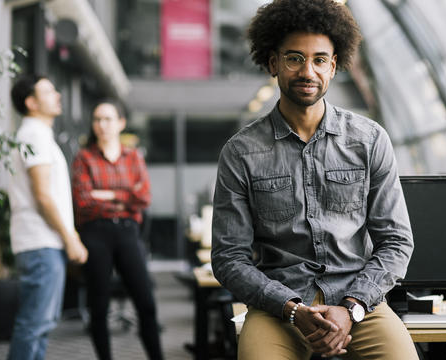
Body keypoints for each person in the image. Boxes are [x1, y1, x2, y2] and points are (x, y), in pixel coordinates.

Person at [210, 1, 418, 358]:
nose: (308, 70)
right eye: (295, 58)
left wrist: (352, 306)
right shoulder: (241, 152)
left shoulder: (369, 140)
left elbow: (397, 241)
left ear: (333, 66)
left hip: (358, 304)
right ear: (273, 63)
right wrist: (291, 308)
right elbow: (229, 257)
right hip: (279, 307)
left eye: (319, 60)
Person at [71, 100, 163, 360]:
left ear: (121, 123)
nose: (102, 124)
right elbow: (83, 202)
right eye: (97, 119)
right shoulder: (84, 157)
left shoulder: (133, 156)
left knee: (146, 302)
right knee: (98, 307)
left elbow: (143, 197)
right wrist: (125, 195)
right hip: (95, 234)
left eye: (108, 119)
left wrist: (105, 193)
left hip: (127, 231)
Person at [7, 74, 89, 360]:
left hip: (44, 242)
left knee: (41, 325)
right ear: (31, 102)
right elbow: (42, 196)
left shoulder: (39, 134)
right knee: (34, 324)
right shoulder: (34, 135)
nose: (57, 95)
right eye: (48, 91)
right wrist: (71, 239)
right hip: (41, 242)